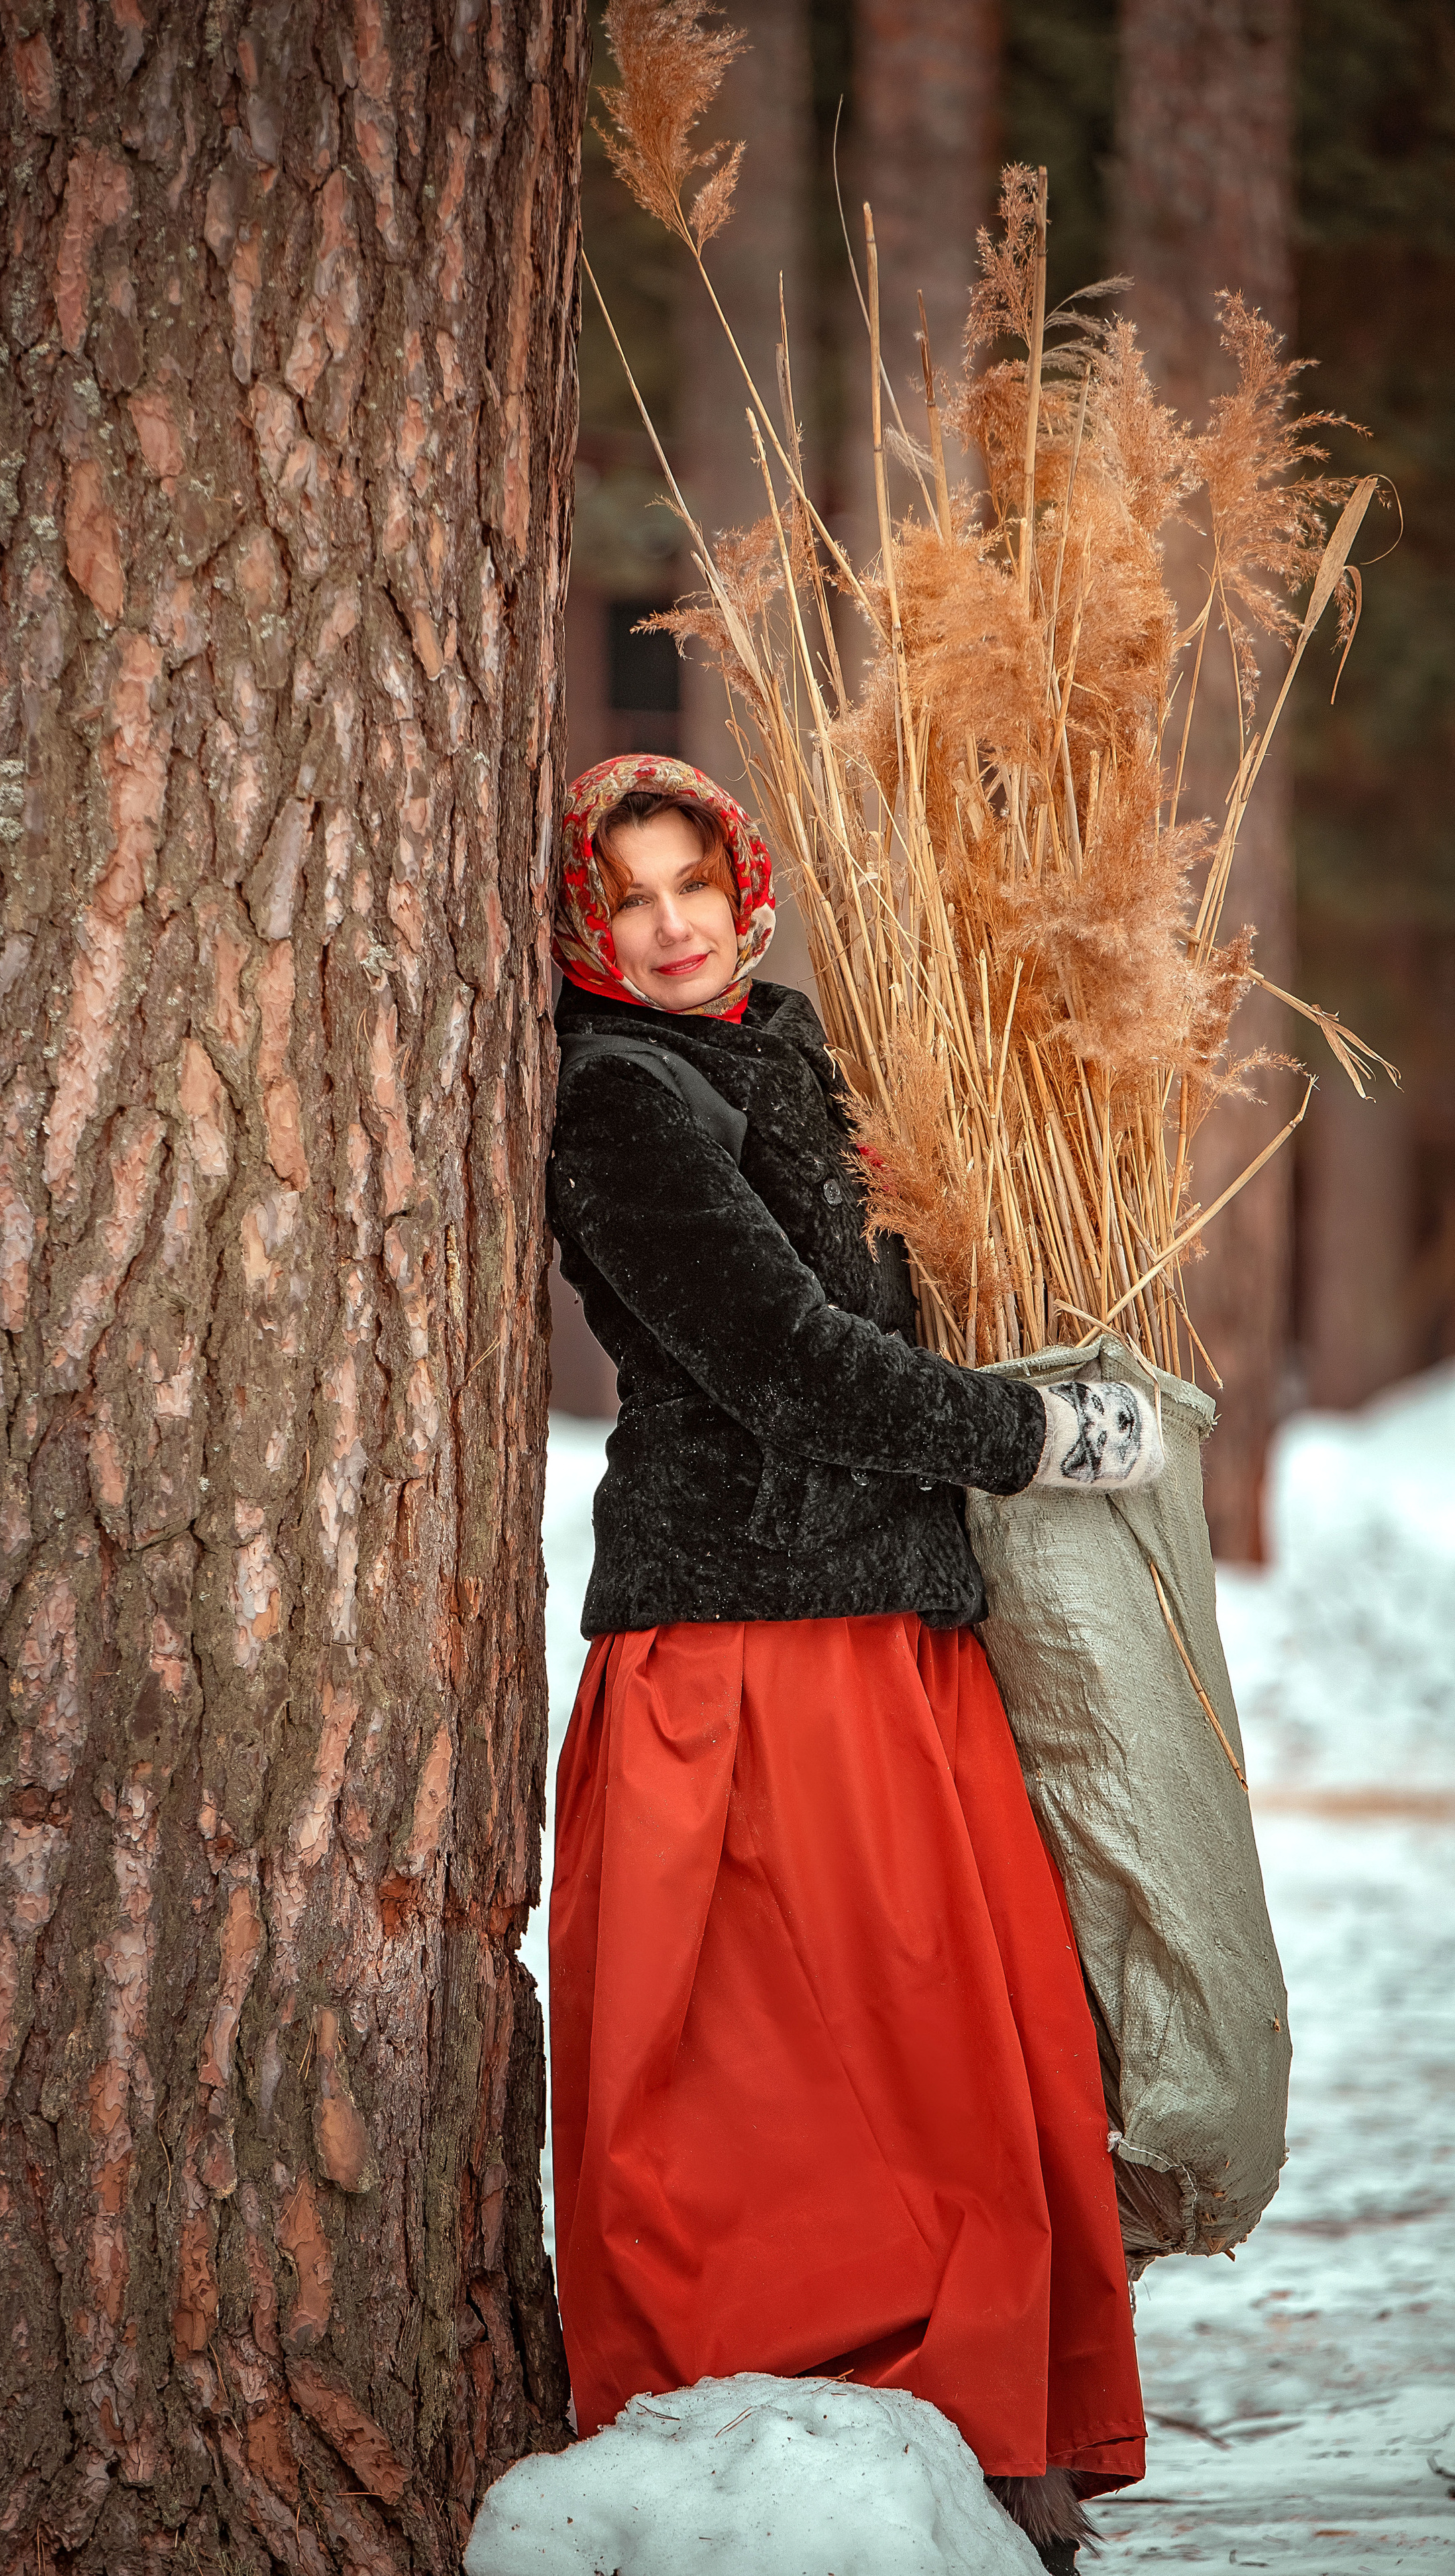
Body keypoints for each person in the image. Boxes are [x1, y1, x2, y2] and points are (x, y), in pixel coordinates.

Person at [544, 753, 1158, 2574]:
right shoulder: (627, 1100)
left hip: (886, 1629)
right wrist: (1029, 1437)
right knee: (770, 2073)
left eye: (692, 888)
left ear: (751, 893)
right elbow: (784, 1359)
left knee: (948, 2058)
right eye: (628, 898)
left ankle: (980, 2444)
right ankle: (761, 2468)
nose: (665, 928)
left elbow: (905, 1292)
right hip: (740, 1646)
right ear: (590, 923)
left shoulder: (800, 1053)